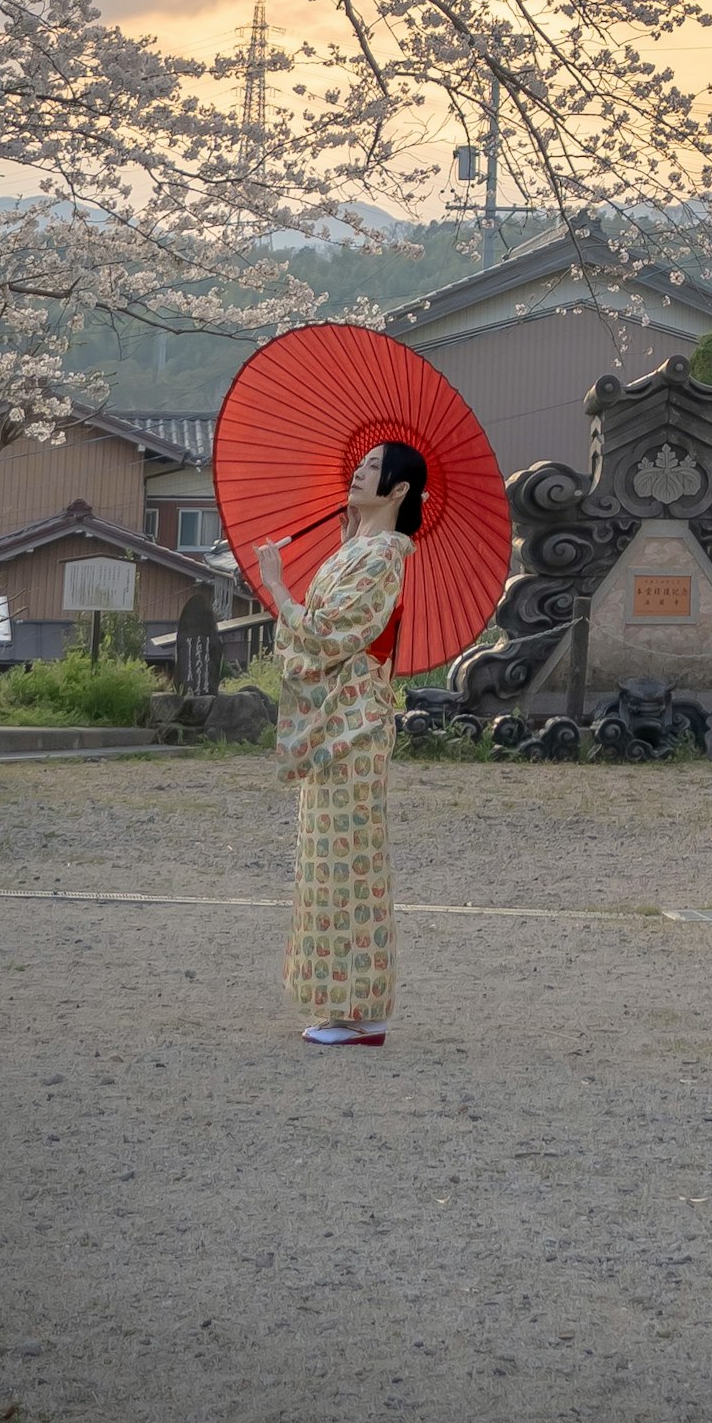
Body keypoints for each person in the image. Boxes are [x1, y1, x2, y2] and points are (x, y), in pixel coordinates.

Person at [261, 437, 419, 1046]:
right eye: (359, 465)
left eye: (374, 468)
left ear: (399, 490)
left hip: (354, 726)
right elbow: (319, 639)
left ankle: (361, 1011)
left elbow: (327, 637)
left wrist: (278, 587)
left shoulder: (381, 556)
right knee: (326, 866)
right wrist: (346, 537)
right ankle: (340, 1005)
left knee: (351, 868)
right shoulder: (358, 548)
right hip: (338, 723)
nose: (359, 472)